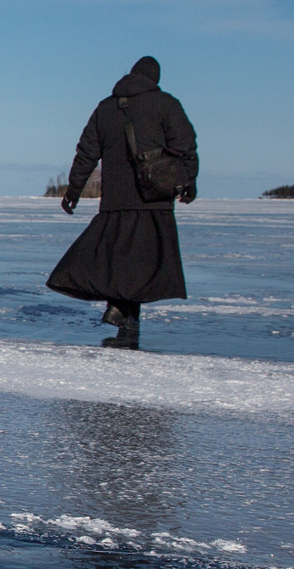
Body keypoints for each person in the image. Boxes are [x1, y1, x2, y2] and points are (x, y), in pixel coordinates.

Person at [45, 55, 197, 349]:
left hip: (115, 200)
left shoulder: (105, 108)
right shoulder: (166, 103)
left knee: (119, 258)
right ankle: (126, 317)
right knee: (143, 263)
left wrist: (73, 190)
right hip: (153, 200)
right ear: (155, 79)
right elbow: (185, 146)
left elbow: (87, 151)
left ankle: (120, 310)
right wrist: (188, 182)